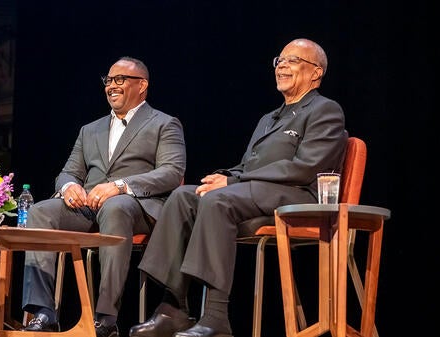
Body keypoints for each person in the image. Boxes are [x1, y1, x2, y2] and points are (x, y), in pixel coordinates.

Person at [128, 38, 347, 337]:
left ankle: (217, 316)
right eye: (279, 60)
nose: (281, 65)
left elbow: (305, 167)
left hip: (297, 194)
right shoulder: (269, 118)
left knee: (219, 200)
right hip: (256, 192)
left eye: (293, 61)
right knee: (183, 196)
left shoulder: (325, 110)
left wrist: (233, 182)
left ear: (316, 73)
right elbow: (247, 167)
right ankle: (173, 308)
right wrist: (225, 176)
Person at [21, 56, 186, 337]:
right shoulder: (90, 129)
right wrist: (70, 187)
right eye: (108, 80)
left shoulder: (164, 123)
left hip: (137, 206)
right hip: (90, 208)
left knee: (116, 207)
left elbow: (172, 172)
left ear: (142, 85)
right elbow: (68, 172)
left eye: (120, 79)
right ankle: (42, 312)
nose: (112, 86)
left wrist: (121, 185)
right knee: (40, 212)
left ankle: (105, 317)